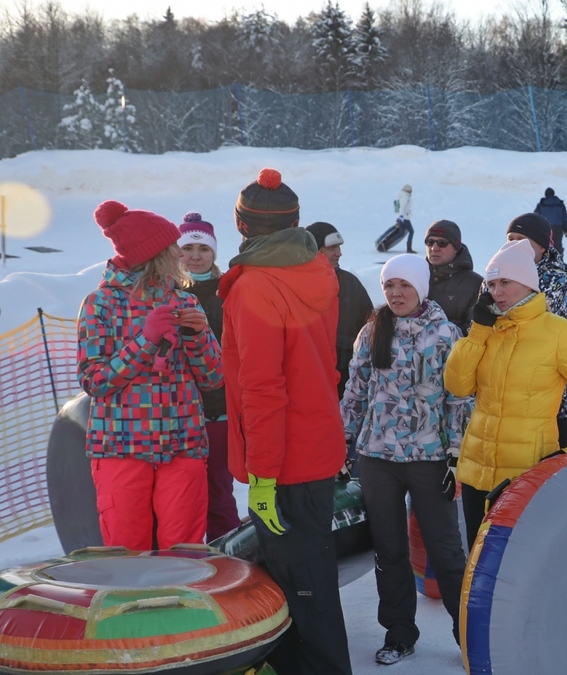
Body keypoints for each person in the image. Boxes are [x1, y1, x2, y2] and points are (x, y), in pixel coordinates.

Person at [220, 168, 352, 674]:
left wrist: (264, 476)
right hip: (314, 444)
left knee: (303, 585)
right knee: (312, 578)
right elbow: (325, 363)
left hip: (286, 460)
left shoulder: (256, 287)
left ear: (241, 224)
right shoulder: (317, 269)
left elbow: (263, 389)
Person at [341, 254, 470, 664]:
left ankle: (468, 633)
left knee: (446, 550)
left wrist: (455, 454)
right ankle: (399, 633)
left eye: (404, 285)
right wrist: (343, 442)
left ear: (421, 288)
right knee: (389, 549)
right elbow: (356, 392)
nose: (395, 293)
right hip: (377, 457)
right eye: (389, 286)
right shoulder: (372, 330)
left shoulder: (447, 334)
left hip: (430, 459)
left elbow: (459, 399)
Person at [446, 239, 567, 545]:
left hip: (526, 476)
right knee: (478, 567)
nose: (498, 292)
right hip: (476, 473)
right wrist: (478, 332)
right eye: (492, 284)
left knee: (518, 569)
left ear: (528, 284)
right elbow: (457, 386)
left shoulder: (560, 333)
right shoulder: (487, 331)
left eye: (506, 282)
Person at [79, 200, 222, 551]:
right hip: (120, 446)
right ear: (152, 254)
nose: (181, 254)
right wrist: (145, 340)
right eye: (172, 247)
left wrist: (198, 338)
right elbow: (95, 381)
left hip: (183, 444)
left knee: (184, 551)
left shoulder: (185, 301)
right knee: (128, 550)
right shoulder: (101, 303)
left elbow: (214, 378)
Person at [504, 213, 567, 446]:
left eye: (521, 240)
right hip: (506, 403)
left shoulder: (564, 283)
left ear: (542, 247)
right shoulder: (495, 279)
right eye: (510, 238)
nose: (513, 245)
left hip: (553, 405)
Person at [178, 212, 239, 541]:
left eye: (203, 248)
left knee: (218, 490)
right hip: (177, 413)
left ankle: (229, 560)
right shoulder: (168, 292)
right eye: (188, 248)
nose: (196, 256)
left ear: (213, 253)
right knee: (183, 497)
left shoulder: (227, 291)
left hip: (218, 408)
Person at [307, 221, 373, 400]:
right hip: (306, 382)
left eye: (339, 247)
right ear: (314, 249)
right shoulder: (296, 285)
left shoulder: (350, 284)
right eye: (332, 248)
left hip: (346, 385)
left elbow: (371, 330)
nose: (339, 253)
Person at [424, 220, 483, 335]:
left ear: (456, 248)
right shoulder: (415, 276)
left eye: (442, 243)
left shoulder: (475, 283)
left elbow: (473, 330)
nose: (434, 248)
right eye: (430, 242)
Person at [534, 187, 567, 255]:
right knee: (557, 245)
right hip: (558, 227)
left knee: (546, 244)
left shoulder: (541, 204)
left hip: (545, 227)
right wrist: (566, 229)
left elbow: (536, 217)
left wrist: (536, 229)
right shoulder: (560, 204)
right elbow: (565, 217)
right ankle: (559, 261)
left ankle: (547, 262)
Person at [393, 183, 416, 253]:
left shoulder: (404, 195)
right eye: (410, 190)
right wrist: (401, 217)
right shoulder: (405, 196)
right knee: (411, 231)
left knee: (401, 233)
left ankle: (387, 242)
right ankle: (409, 248)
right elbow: (402, 207)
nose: (411, 191)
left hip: (403, 217)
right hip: (405, 218)